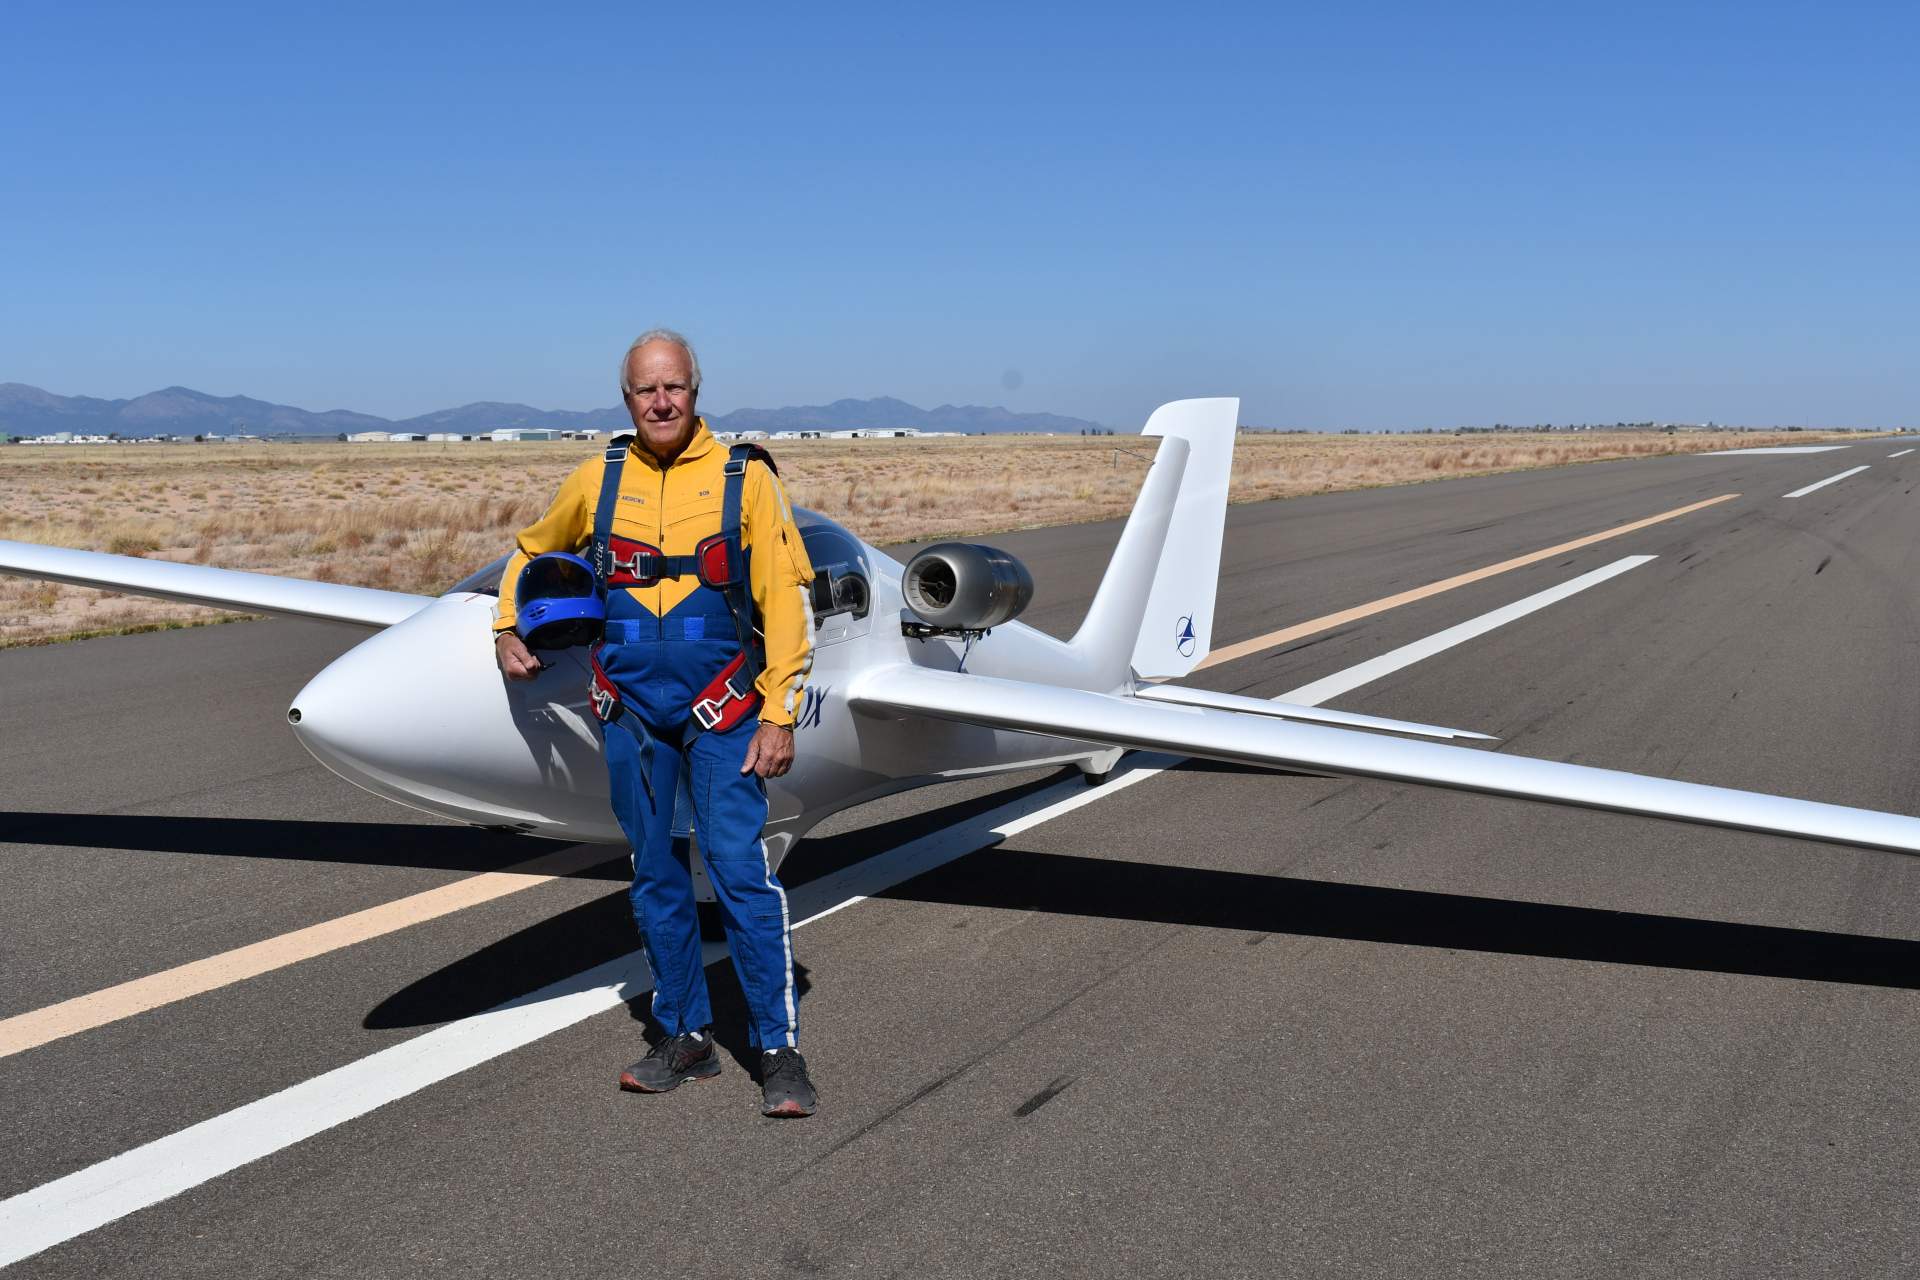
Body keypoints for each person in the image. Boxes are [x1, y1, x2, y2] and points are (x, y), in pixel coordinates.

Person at [492, 329, 819, 1118]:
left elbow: (784, 599)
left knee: (740, 875)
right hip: (633, 712)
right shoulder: (599, 476)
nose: (661, 402)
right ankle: (684, 1035)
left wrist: (779, 714)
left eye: (673, 387)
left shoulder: (745, 479)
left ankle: (777, 1050)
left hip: (724, 710)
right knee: (654, 874)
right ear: (628, 398)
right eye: (646, 390)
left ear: (696, 391)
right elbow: (532, 552)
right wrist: (507, 624)